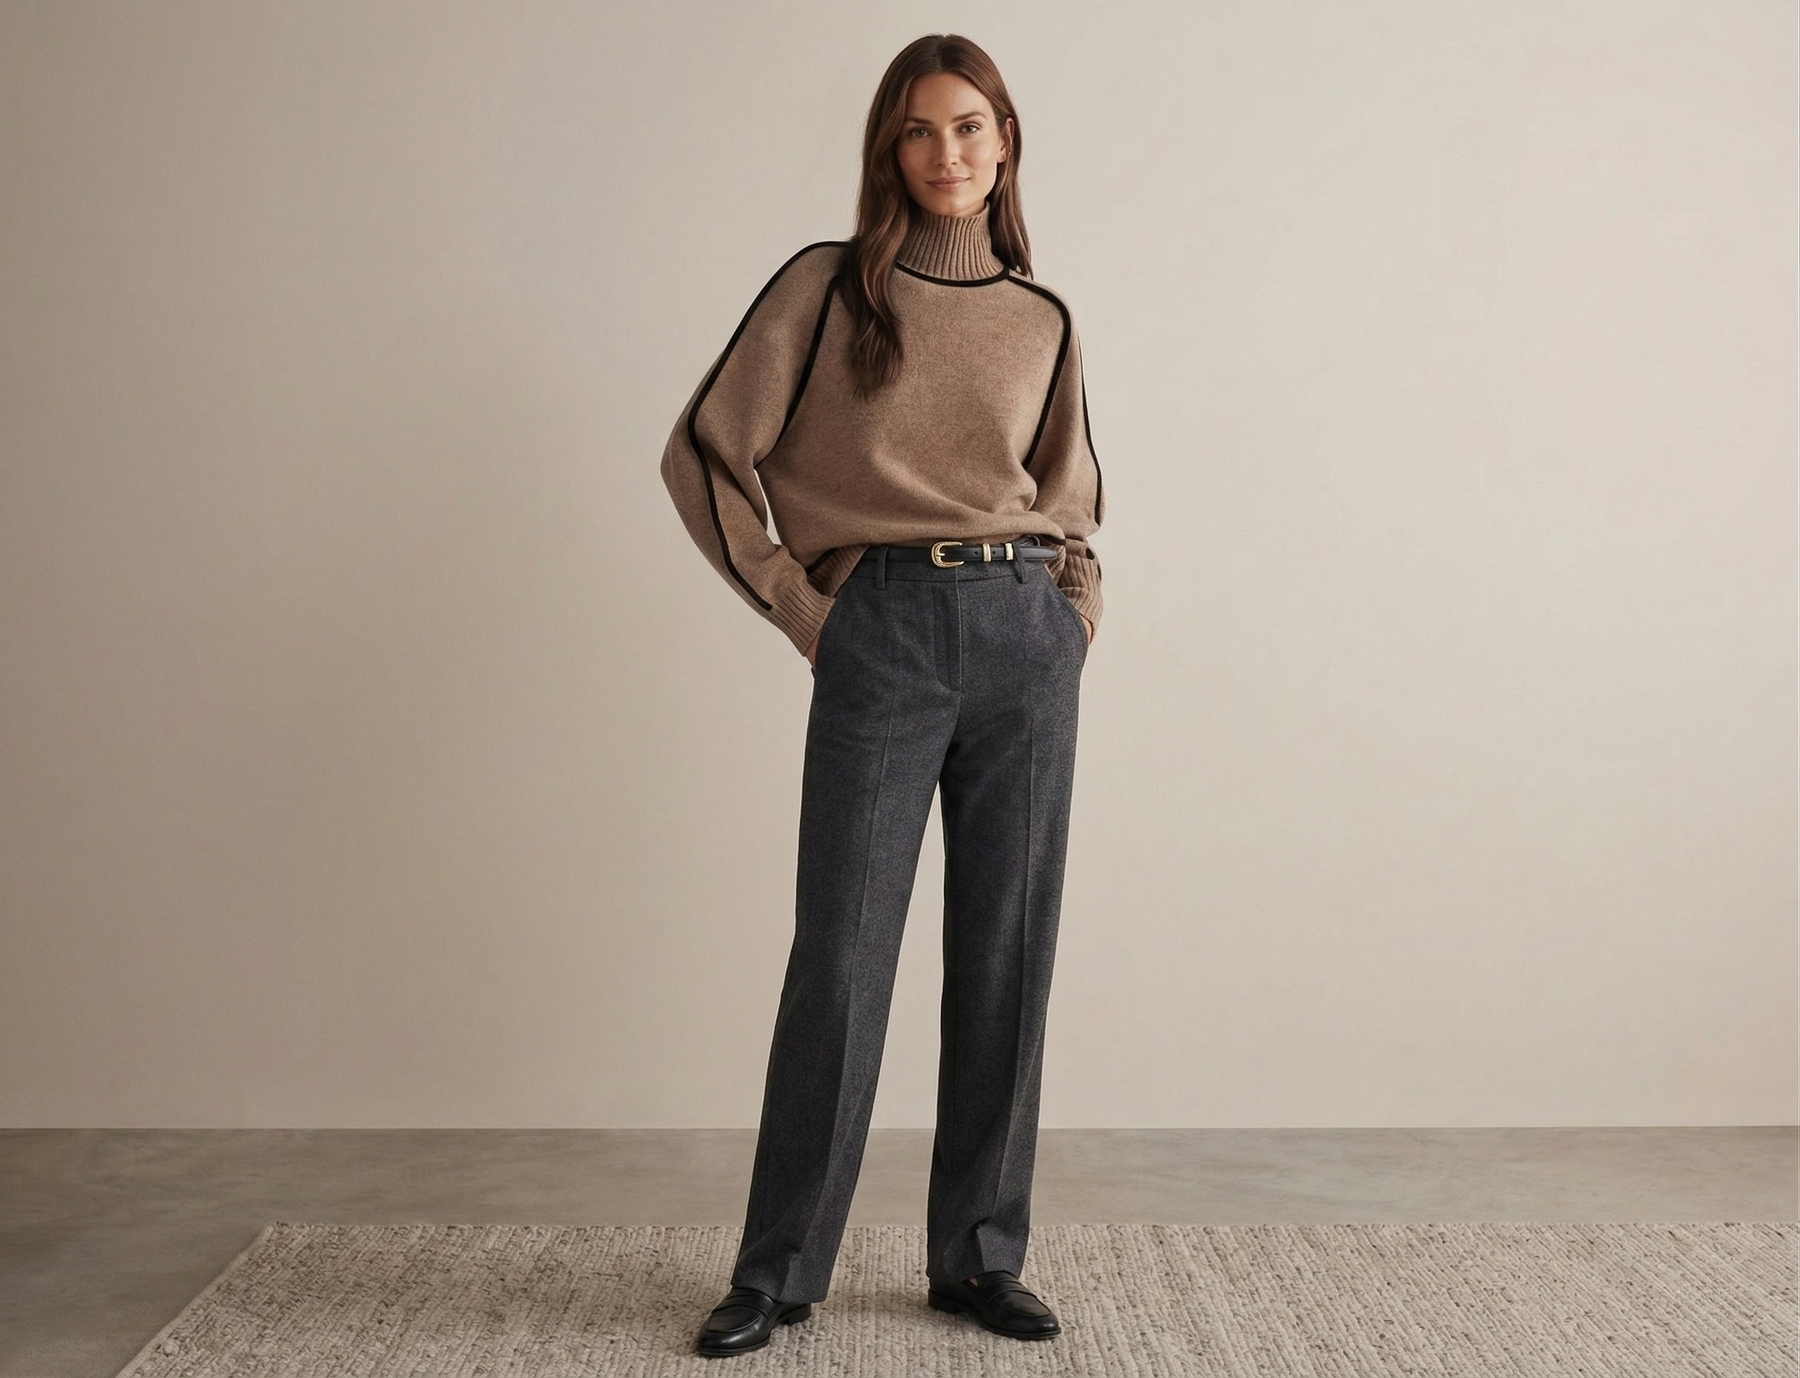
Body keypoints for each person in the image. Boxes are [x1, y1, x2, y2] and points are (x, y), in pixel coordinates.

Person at [659, 33, 1105, 1358]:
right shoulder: (826, 288)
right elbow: (705, 452)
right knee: (842, 958)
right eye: (919, 129)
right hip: (884, 632)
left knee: (1007, 952)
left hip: (1025, 636)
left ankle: (979, 1257)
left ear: (1006, 143)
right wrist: (805, 608)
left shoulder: (1042, 317)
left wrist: (1071, 615)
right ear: (888, 149)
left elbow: (1072, 497)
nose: (946, 152)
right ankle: (779, 1270)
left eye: (970, 126)